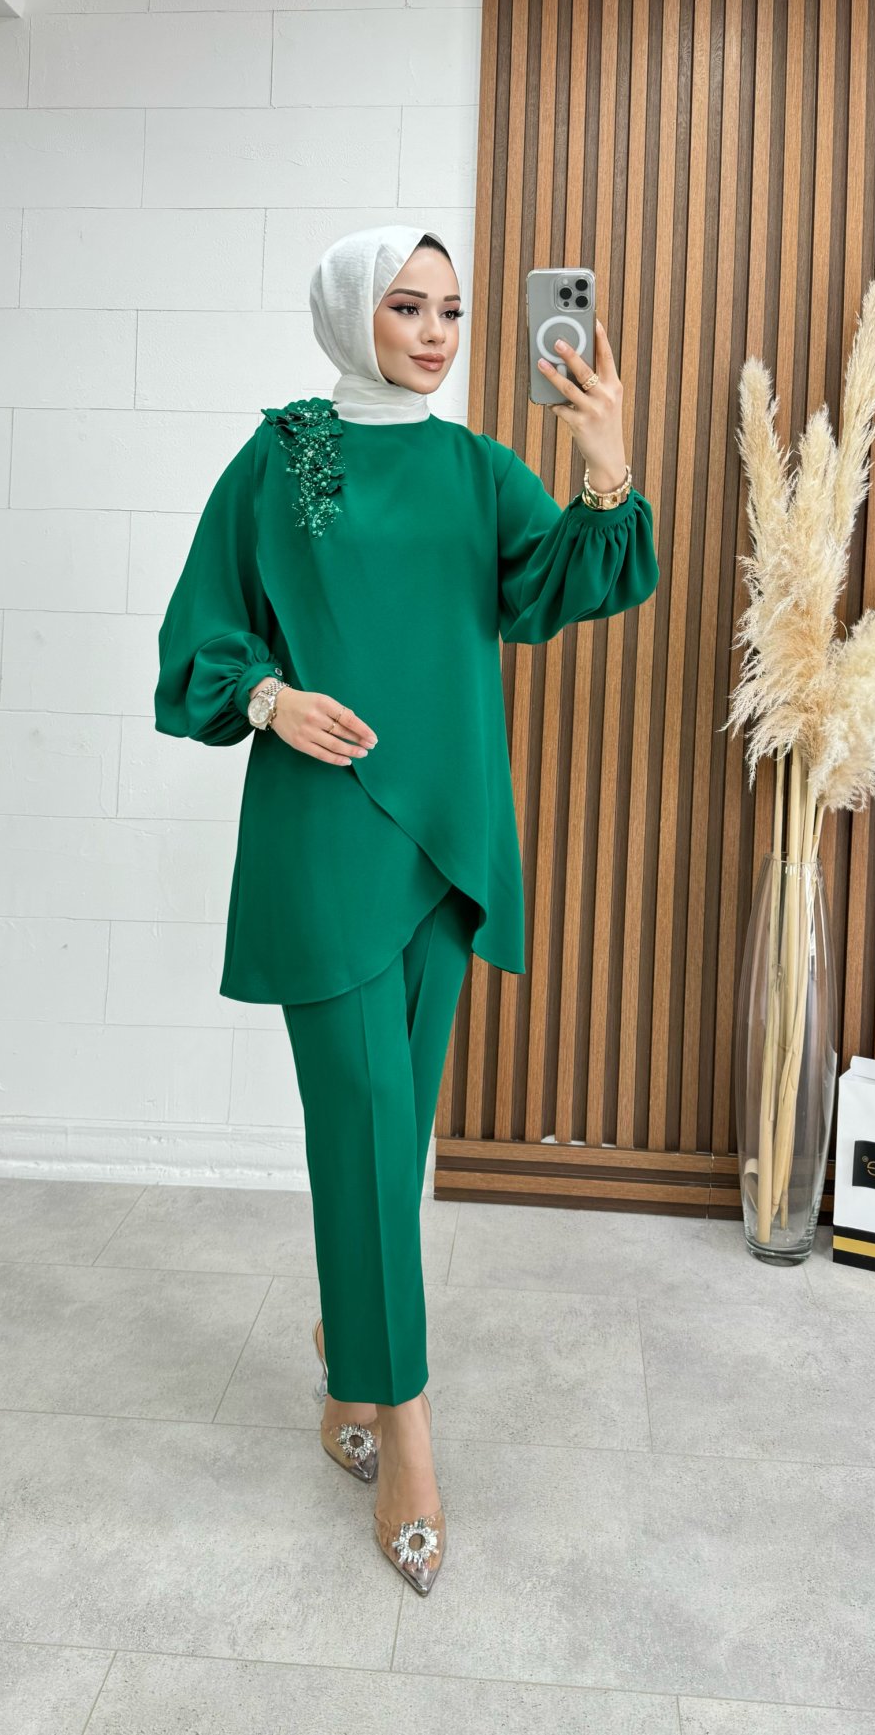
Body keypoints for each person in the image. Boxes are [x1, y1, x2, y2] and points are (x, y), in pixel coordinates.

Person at [154, 224, 659, 1593]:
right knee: (370, 1124)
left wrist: (605, 462)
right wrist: (270, 697)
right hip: (324, 840)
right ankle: (408, 1429)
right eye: (406, 306)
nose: (437, 332)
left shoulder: (474, 467)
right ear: (349, 316)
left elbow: (567, 584)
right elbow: (200, 635)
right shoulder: (293, 456)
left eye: (451, 309)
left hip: (448, 844)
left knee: (388, 1142)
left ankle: (347, 1354)